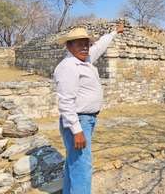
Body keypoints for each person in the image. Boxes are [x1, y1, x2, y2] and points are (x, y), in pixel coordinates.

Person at [53, 23, 124, 194]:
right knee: (82, 168)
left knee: (74, 164)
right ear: (69, 46)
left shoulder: (85, 59)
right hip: (78, 121)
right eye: (79, 43)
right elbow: (65, 102)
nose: (85, 47)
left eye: (87, 43)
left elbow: (100, 45)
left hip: (87, 120)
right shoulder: (69, 66)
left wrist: (114, 32)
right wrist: (77, 130)